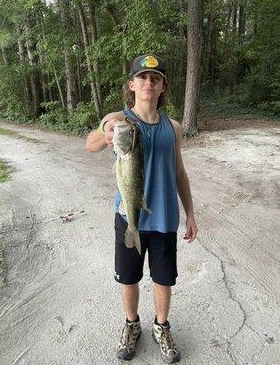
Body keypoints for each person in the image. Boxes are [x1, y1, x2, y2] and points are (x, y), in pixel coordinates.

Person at [86, 54, 198, 363]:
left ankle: (161, 327)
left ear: (163, 87)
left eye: (156, 78)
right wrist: (105, 131)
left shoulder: (173, 127)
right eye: (143, 77)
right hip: (129, 217)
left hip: (164, 218)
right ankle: (131, 324)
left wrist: (190, 213)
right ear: (132, 85)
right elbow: (92, 143)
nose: (149, 82)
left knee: (164, 278)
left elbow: (179, 172)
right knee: (129, 278)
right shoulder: (121, 120)